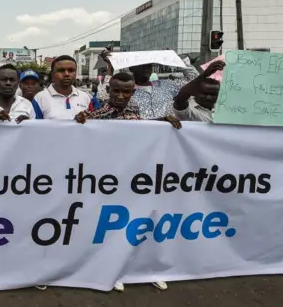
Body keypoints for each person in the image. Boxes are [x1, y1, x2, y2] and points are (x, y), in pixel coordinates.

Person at [74, 72, 179, 293]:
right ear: (108, 90)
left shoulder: (135, 111)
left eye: (127, 91)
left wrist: (161, 123)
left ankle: (141, 270)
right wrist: (80, 121)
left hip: (136, 180)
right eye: (116, 91)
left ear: (133, 91)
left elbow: (143, 134)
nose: (121, 96)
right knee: (111, 228)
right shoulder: (97, 115)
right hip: (108, 182)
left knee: (138, 225)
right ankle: (114, 272)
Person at [33, 55, 91, 120]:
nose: (66, 74)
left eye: (71, 70)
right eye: (61, 70)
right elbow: (35, 127)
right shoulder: (39, 98)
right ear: (52, 74)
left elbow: (94, 123)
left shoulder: (86, 97)